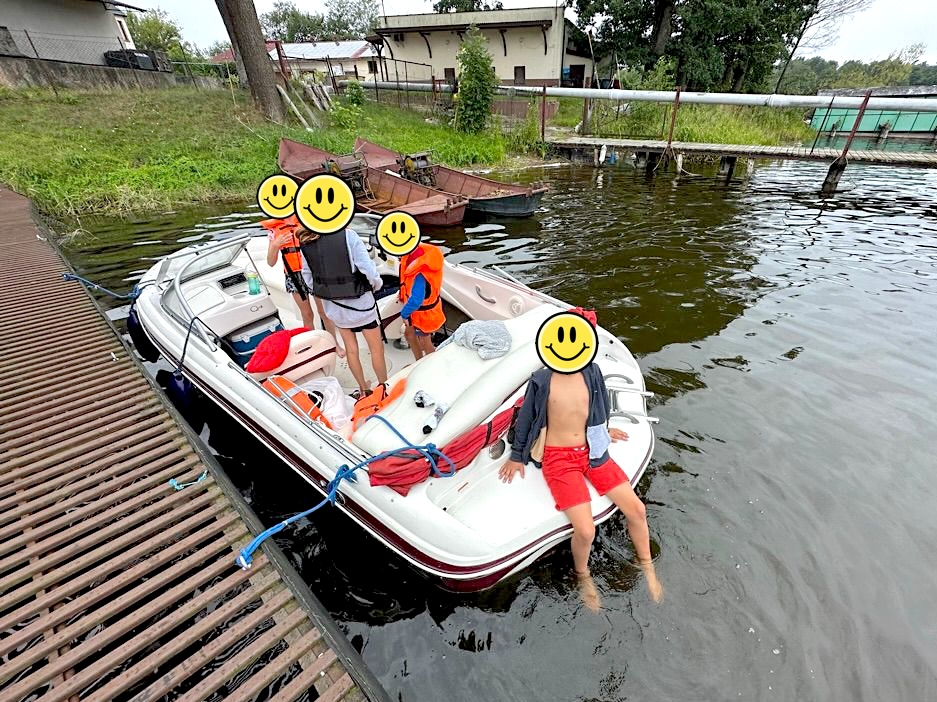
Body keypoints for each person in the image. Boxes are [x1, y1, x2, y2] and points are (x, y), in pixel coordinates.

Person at [498, 315, 663, 610]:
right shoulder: (542, 380)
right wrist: (517, 456)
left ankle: (648, 568)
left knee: (637, 509)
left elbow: (600, 404)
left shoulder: (592, 371)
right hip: (559, 458)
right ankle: (583, 576)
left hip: (593, 451)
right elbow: (526, 419)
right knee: (586, 531)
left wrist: (604, 430)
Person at [298, 225, 388, 398]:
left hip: (335, 309)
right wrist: (376, 285)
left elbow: (308, 277)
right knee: (376, 349)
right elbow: (368, 269)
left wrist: (327, 294)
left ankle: (363, 389)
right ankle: (384, 388)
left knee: (351, 350)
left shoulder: (307, 241)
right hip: (362, 306)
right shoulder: (349, 236)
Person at [263, 217, 344, 358]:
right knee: (307, 314)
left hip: (314, 271)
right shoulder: (274, 230)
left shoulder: (307, 218)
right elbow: (270, 262)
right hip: (293, 276)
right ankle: (313, 347)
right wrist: (275, 245)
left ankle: (334, 344)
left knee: (324, 312)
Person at [398, 242, 446, 361]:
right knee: (409, 335)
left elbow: (416, 300)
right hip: (415, 312)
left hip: (423, 316)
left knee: (425, 343)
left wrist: (404, 314)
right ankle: (418, 361)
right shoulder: (421, 256)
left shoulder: (420, 274)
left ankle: (431, 365)